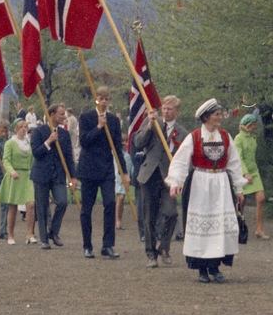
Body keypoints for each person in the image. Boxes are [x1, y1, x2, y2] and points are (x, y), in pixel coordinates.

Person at [165, 98, 249, 283]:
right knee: (202, 226)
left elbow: (234, 164)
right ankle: (202, 268)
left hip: (221, 184)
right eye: (217, 114)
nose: (220, 118)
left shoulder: (226, 137)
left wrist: (239, 188)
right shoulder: (194, 137)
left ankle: (215, 267)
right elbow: (180, 161)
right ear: (206, 117)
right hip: (200, 185)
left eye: (220, 114)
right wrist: (175, 183)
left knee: (219, 225)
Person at [136, 95, 186, 266]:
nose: (165, 112)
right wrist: (149, 125)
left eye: (170, 109)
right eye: (164, 108)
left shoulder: (182, 132)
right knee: (149, 216)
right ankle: (151, 254)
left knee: (171, 213)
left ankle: (164, 247)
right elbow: (137, 142)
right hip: (149, 175)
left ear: (177, 111)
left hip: (169, 178)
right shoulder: (151, 122)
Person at [78, 87, 127, 259]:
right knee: (87, 209)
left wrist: (124, 172)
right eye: (101, 98)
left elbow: (117, 149)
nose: (104, 101)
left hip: (106, 169)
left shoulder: (113, 120)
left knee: (109, 204)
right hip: (89, 168)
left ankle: (108, 245)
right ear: (96, 99)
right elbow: (84, 142)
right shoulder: (86, 117)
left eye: (107, 99)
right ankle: (87, 245)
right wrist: (98, 127)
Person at [31, 103, 77, 250]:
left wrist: (73, 176)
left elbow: (69, 157)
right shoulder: (39, 131)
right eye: (61, 114)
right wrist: (49, 141)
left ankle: (54, 232)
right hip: (41, 174)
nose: (64, 117)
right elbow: (36, 153)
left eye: (64, 114)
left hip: (58, 175)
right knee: (42, 207)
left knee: (62, 202)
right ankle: (44, 239)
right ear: (52, 115)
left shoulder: (64, 134)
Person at [0, 119, 36, 245]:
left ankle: (30, 234)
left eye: (25, 127)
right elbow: (6, 160)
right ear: (16, 129)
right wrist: (11, 171)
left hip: (27, 176)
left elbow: (32, 159)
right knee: (12, 206)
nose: (24, 129)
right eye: (21, 127)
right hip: (15, 176)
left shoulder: (29, 142)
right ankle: (10, 235)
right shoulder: (10, 143)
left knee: (30, 205)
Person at [234, 113, 269, 241]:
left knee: (261, 198)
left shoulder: (253, 137)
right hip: (243, 172)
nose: (256, 126)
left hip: (255, 171)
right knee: (241, 201)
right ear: (249, 125)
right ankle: (236, 226)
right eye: (254, 124)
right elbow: (239, 157)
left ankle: (259, 229)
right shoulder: (238, 139)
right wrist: (245, 173)